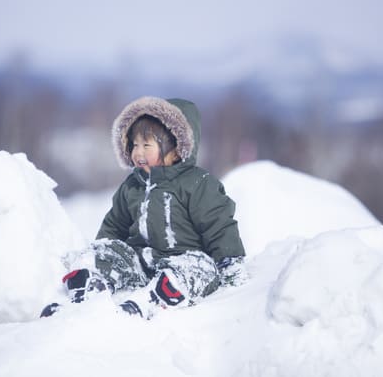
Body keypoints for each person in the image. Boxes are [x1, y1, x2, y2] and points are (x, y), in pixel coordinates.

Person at [41, 96, 246, 319]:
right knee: (101, 254)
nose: (138, 152)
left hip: (183, 262)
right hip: (141, 262)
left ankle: (154, 299)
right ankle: (84, 294)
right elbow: (114, 226)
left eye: (146, 145)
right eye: (134, 144)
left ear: (176, 148)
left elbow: (219, 226)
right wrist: (104, 254)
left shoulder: (198, 184)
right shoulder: (133, 185)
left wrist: (230, 264)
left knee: (200, 267)